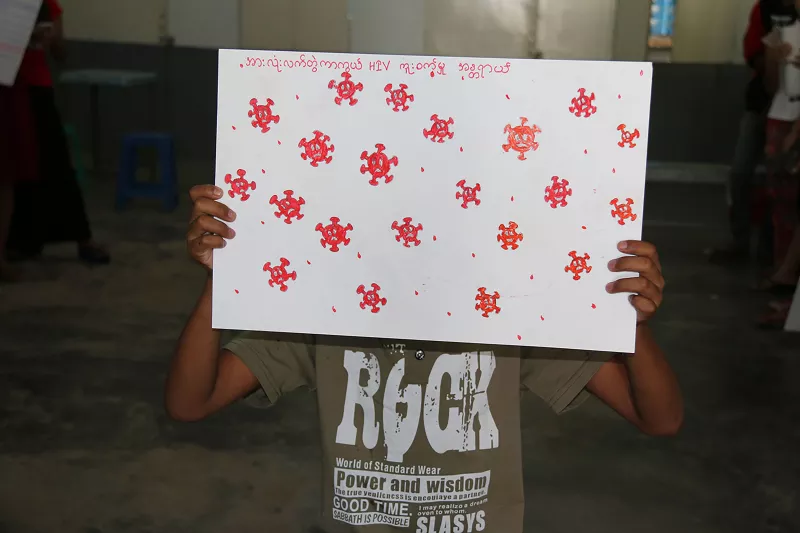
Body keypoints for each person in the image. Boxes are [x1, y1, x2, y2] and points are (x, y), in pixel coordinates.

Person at [164, 185, 683, 533]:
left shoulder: (508, 310)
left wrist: (626, 322)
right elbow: (191, 402)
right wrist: (223, 279)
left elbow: (659, 418)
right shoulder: (324, 309)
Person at [5, 0, 109, 266]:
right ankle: (21, 242)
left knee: (55, 160)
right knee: (16, 168)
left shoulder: (46, 4)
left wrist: (49, 38)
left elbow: (62, 53)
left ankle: (82, 238)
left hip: (37, 86)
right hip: (8, 86)